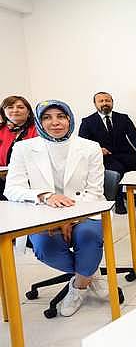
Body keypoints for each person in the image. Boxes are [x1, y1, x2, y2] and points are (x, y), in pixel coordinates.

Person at [4, 100, 109, 317]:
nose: (55, 123)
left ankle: (79, 285)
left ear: (69, 118)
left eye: (61, 116)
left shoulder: (89, 147)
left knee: (88, 236)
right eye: (47, 117)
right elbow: (12, 189)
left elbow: (95, 191)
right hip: (42, 213)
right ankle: (89, 273)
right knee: (45, 247)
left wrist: (70, 219)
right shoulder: (23, 148)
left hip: (84, 211)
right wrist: (44, 196)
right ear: (39, 121)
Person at [78, 92, 136, 214]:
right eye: (101, 101)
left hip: (125, 154)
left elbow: (134, 136)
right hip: (106, 157)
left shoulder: (123, 118)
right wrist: (98, 149)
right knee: (117, 170)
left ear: (112, 102)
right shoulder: (88, 121)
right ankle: (118, 202)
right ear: (95, 104)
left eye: (107, 100)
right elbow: (82, 143)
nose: (105, 103)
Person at [0, 96, 38, 200]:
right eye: (10, 107)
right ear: (4, 112)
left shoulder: (38, 128)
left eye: (20, 107)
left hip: (31, 179)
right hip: (3, 178)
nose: (15, 110)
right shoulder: (1, 130)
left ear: (28, 111)